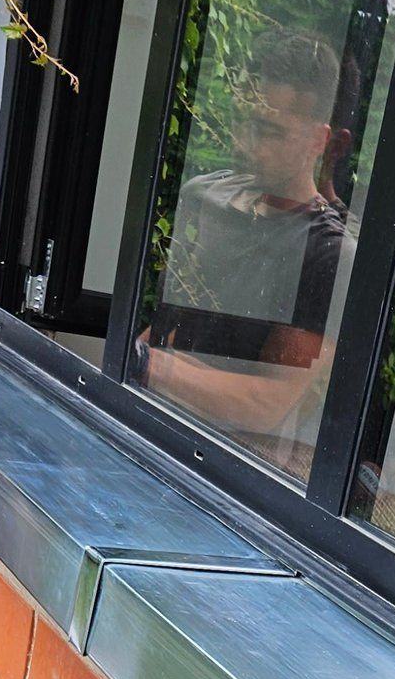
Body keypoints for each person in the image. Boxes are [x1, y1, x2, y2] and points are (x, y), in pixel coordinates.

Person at [139, 27, 355, 475]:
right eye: (249, 124)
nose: (249, 145)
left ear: (319, 141)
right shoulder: (206, 197)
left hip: (236, 477)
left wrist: (148, 366)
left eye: (271, 132)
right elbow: (161, 330)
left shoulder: (327, 252)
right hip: (153, 432)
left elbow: (268, 403)